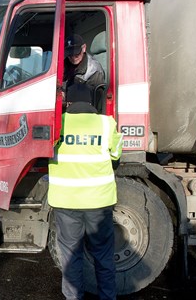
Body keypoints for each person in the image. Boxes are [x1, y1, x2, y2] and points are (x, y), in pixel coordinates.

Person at [48, 83, 123, 300]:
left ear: (67, 102)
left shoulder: (57, 124)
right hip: (99, 203)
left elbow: (44, 153)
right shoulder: (106, 123)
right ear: (91, 102)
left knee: (71, 257)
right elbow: (117, 155)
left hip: (66, 202)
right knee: (103, 257)